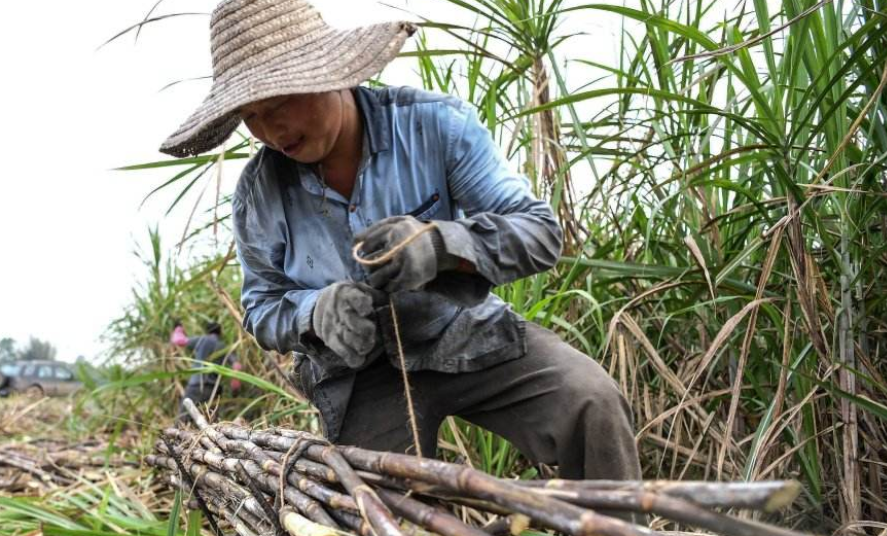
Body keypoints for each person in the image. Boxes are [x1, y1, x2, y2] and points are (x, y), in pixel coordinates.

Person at [159, 0, 641, 482]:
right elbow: (261, 308)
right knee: (388, 507)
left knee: (590, 401)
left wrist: (441, 246)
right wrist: (316, 312)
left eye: (282, 103)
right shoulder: (259, 193)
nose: (271, 130)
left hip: (464, 331)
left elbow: (537, 233)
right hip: (360, 374)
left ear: (331, 72)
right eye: (252, 115)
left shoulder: (435, 126)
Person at [170, 321, 241, 419]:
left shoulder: (201, 340)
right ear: (220, 333)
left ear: (207, 331)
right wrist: (235, 386)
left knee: (183, 418)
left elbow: (179, 341)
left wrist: (179, 329)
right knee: (211, 420)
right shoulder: (223, 346)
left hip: (195, 385)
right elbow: (236, 366)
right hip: (213, 389)